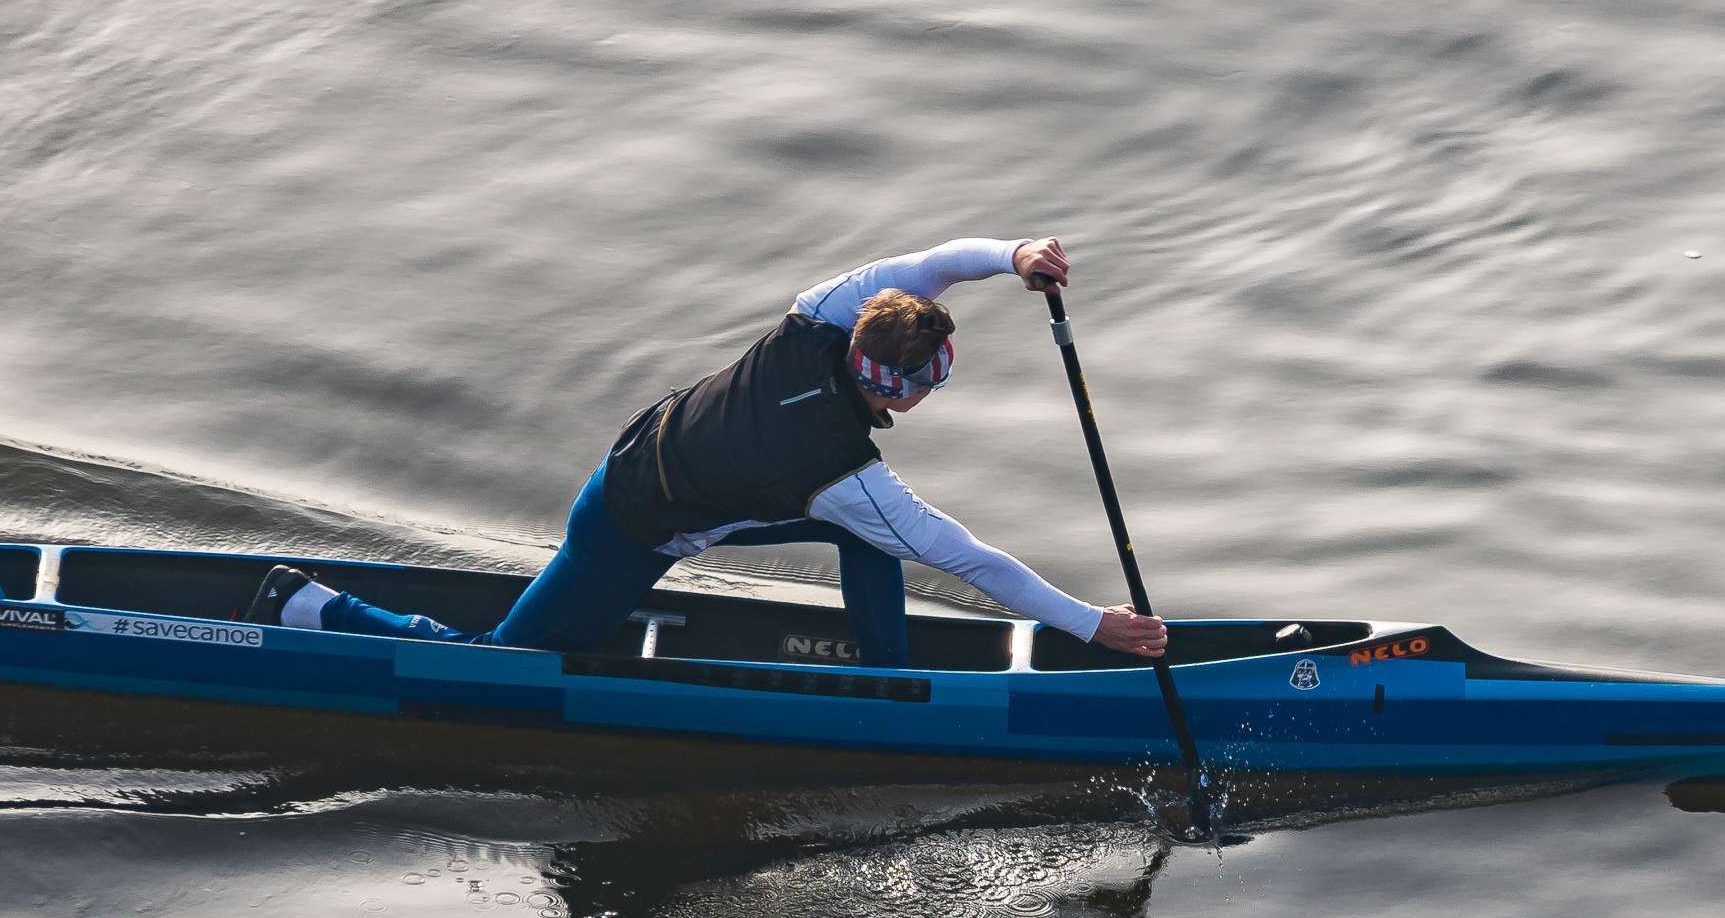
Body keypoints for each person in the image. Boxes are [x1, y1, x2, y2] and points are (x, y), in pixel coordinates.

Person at [247, 236, 1173, 666]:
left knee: (871, 542)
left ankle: (891, 677)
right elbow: (967, 557)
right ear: (906, 384)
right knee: (504, 664)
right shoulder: (841, 475)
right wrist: (1093, 625)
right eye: (936, 381)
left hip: (650, 453)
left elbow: (935, 262)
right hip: (631, 524)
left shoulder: (824, 312)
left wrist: (1014, 256)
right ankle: (319, 610)